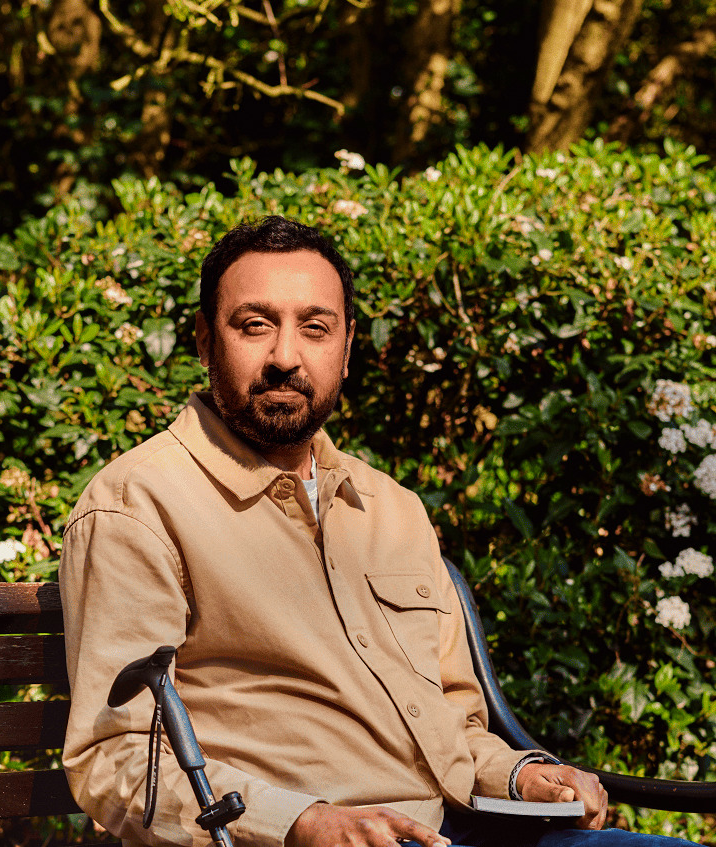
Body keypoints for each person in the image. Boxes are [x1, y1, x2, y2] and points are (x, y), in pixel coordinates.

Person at [59, 216, 695, 847]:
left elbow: (455, 725)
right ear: (203, 341)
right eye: (254, 325)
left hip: (462, 829)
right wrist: (301, 824)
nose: (285, 355)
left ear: (347, 345)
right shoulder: (136, 505)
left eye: (315, 328)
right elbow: (115, 760)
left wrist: (526, 775)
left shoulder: (391, 509)